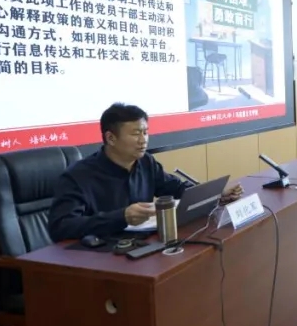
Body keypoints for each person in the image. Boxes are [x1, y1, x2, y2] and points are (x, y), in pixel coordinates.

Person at [49, 103, 195, 241]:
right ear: (111, 138)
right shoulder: (78, 176)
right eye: (136, 134)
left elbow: (175, 188)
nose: (143, 140)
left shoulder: (146, 162)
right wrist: (121, 217)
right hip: (101, 251)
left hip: (143, 244)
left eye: (145, 132)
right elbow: (61, 227)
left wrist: (200, 193)